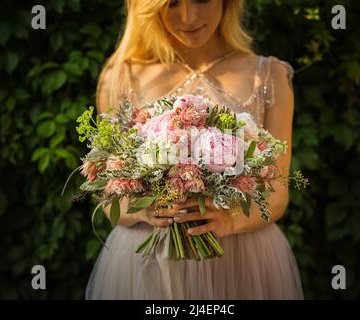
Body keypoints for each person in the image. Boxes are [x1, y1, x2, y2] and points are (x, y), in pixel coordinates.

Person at [85, 0, 303, 299]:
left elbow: (277, 195)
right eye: (172, 3)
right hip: (149, 263)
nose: (188, 17)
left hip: (242, 259)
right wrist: (145, 209)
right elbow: (110, 195)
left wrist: (230, 220)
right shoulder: (120, 77)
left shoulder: (268, 76)